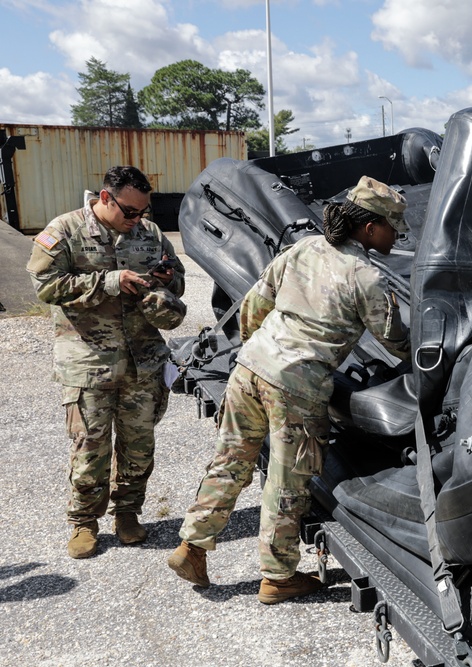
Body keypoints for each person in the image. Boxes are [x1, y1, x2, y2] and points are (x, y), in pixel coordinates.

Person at [168, 175, 410, 604]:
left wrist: (261, 352)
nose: (399, 233)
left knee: (231, 460)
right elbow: (395, 341)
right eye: (394, 225)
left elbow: (254, 306)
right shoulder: (367, 277)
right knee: (287, 480)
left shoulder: (303, 248)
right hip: (295, 388)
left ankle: (192, 546)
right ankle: (277, 578)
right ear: (370, 227)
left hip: (250, 368)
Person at [26, 165, 186, 559]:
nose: (136, 220)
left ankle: (127, 513)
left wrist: (166, 279)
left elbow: (180, 278)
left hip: (143, 361)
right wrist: (109, 282)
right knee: (90, 448)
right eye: (128, 212)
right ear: (104, 198)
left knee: (138, 447)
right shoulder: (64, 230)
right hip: (89, 361)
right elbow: (46, 286)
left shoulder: (149, 233)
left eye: (142, 212)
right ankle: (83, 522)